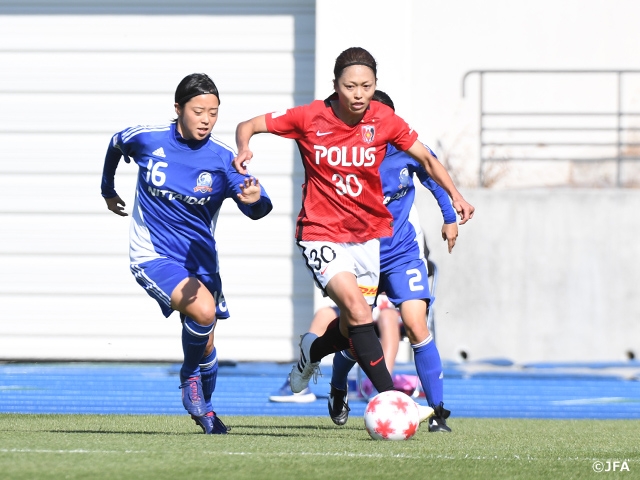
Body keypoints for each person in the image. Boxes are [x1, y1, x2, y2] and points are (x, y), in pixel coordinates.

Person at [234, 47, 474, 406]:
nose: (358, 94)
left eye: (366, 86)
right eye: (350, 86)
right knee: (362, 313)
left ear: (375, 86)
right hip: (321, 232)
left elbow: (426, 158)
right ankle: (393, 401)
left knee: (350, 330)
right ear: (336, 85)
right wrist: (244, 149)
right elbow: (248, 125)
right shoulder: (309, 116)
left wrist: (454, 197)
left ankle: (312, 352)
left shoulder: (384, 121)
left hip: (367, 239)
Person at [270, 90, 456, 432]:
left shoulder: (407, 149)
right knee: (355, 332)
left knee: (417, 324)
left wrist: (450, 216)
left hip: (401, 253)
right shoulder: (344, 156)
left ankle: (438, 414)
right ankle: (338, 385)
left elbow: (432, 175)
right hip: (357, 252)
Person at [100, 73, 273, 434]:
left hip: (201, 264)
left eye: (214, 112)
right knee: (204, 312)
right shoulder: (149, 140)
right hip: (153, 255)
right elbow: (117, 143)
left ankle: (206, 412)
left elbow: (259, 207)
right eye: (198, 111)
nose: (207, 119)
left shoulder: (223, 159)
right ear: (178, 109)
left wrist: (255, 202)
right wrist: (107, 189)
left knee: (207, 340)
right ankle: (188, 376)